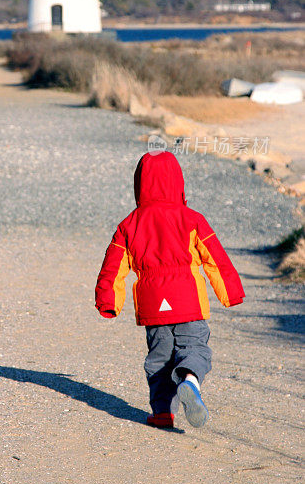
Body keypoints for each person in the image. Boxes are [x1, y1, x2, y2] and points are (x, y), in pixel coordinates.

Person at [95, 150, 245, 429]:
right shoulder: (192, 219)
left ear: (139, 184)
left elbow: (113, 267)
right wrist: (230, 292)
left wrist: (109, 300)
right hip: (188, 302)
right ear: (178, 182)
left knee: (159, 361)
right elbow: (216, 258)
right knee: (195, 348)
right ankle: (190, 380)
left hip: (153, 306)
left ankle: (163, 410)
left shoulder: (129, 224)